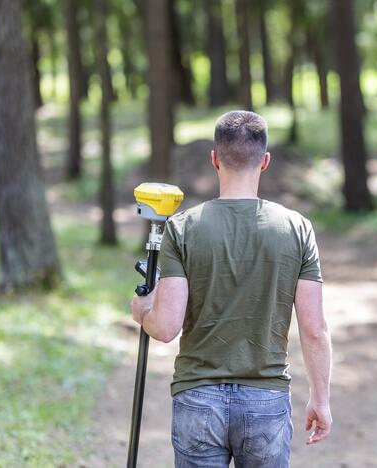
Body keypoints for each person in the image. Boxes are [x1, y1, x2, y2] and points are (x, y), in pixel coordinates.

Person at [130, 110, 332, 468]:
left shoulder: (183, 228)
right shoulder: (297, 228)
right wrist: (321, 398)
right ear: (265, 161)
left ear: (214, 159)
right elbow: (314, 330)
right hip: (265, 399)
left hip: (198, 398)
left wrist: (142, 309)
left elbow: (164, 328)